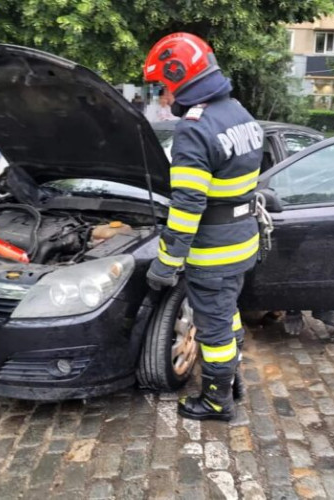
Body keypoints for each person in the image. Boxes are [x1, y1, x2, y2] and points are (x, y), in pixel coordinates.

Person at [143, 33, 263, 421]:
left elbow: (188, 205)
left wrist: (166, 261)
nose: (164, 95)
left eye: (165, 85)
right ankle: (232, 381)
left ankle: (216, 401)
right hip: (242, 242)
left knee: (213, 331)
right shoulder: (240, 114)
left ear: (180, 77)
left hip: (212, 252)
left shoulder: (195, 128)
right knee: (228, 315)